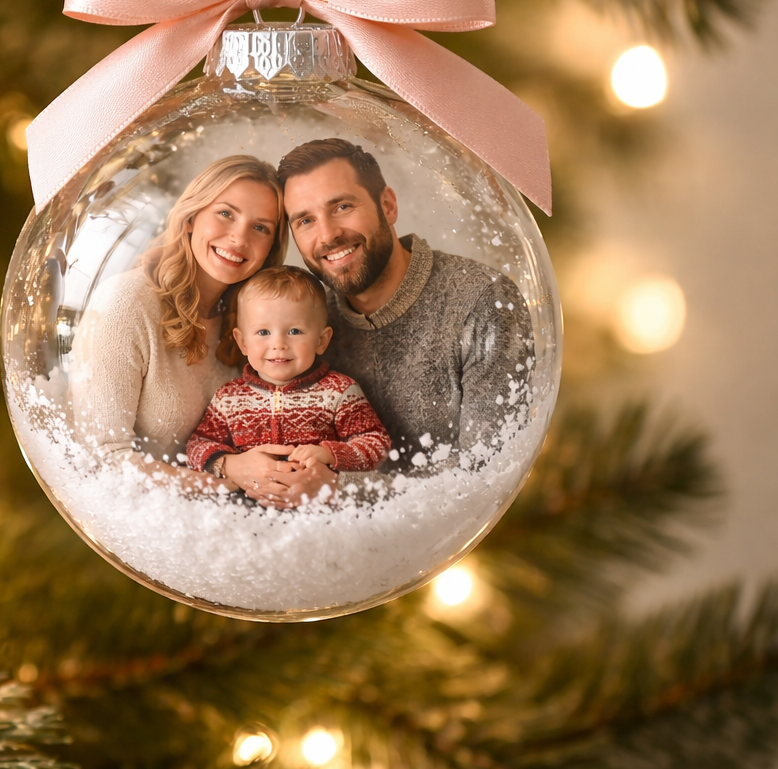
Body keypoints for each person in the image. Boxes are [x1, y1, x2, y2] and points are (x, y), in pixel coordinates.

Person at [278, 138, 532, 470]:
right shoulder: (308, 326)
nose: (327, 236)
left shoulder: (482, 300)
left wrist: (336, 488)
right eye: (305, 221)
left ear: (387, 206)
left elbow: (487, 471)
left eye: (342, 207)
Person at [71, 155, 308, 504]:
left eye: (260, 228)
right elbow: (102, 459)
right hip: (133, 521)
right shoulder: (126, 302)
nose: (239, 238)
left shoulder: (255, 326)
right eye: (226, 213)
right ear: (192, 218)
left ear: (270, 248)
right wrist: (232, 482)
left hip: (224, 523)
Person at [184, 266, 390, 504]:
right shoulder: (228, 397)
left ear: (321, 340)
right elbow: (198, 445)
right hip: (244, 511)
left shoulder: (339, 390)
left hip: (318, 512)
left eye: (294, 331)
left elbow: (376, 444)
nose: (278, 343)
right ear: (242, 342)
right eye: (263, 331)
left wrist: (330, 453)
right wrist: (228, 464)